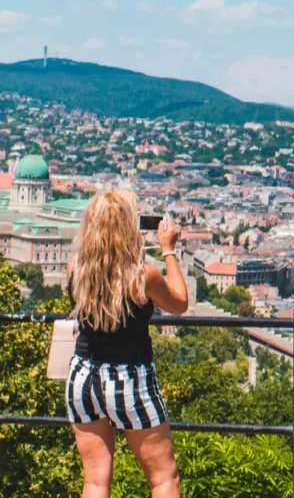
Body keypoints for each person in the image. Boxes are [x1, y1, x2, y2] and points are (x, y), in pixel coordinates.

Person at [66, 191, 188, 498]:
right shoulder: (141, 275)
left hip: (83, 374)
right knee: (163, 479)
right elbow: (180, 303)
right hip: (130, 378)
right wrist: (168, 250)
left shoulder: (75, 267)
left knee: (95, 480)